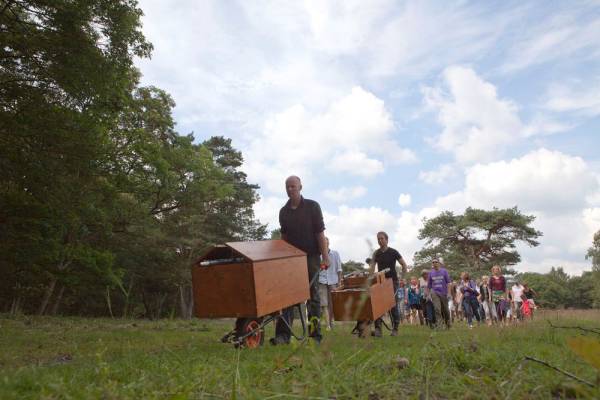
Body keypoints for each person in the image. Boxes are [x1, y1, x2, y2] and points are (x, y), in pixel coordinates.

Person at [272, 176, 329, 345]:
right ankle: (283, 335)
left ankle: (314, 335)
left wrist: (325, 256)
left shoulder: (312, 206)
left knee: (313, 296)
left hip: (311, 257)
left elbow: (320, 233)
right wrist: (282, 259)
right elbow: (284, 238)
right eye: (287, 187)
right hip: (292, 260)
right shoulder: (284, 212)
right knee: (287, 296)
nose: (290, 189)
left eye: (293, 186)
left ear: (300, 187)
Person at [368, 231, 408, 337]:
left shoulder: (393, 252)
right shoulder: (376, 253)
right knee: (377, 306)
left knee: (392, 305)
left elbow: (404, 265)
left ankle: (395, 329)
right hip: (380, 282)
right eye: (378, 239)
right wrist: (370, 278)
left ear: (386, 239)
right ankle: (378, 330)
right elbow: (372, 267)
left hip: (392, 282)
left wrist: (402, 279)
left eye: (382, 238)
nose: (380, 240)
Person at [318, 237, 343, 330]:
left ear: (329, 243)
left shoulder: (335, 254)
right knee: (324, 303)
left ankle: (331, 321)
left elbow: (339, 268)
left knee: (332, 303)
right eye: (323, 242)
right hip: (321, 281)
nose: (325, 244)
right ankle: (328, 325)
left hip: (333, 280)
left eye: (326, 242)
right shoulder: (318, 255)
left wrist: (340, 281)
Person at [426, 258, 452, 329]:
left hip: (443, 293)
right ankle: (440, 325)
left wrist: (449, 293)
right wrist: (428, 295)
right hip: (435, 293)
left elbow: (449, 283)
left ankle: (448, 322)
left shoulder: (444, 271)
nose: (434, 263)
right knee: (437, 309)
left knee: (446, 310)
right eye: (433, 262)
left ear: (439, 263)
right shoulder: (431, 273)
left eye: (436, 262)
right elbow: (428, 285)